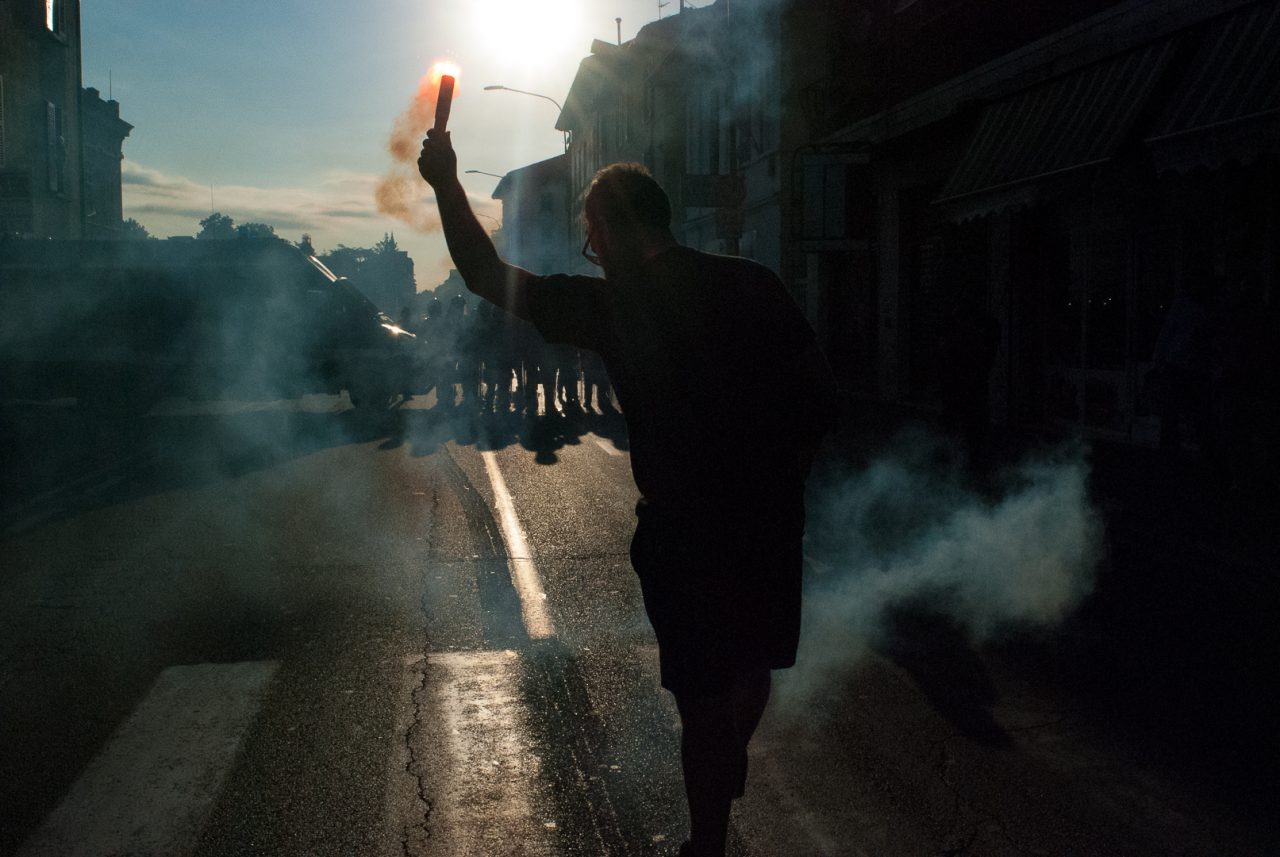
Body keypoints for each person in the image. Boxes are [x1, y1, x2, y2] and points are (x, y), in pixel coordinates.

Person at [419, 130, 837, 857]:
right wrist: (786, 482)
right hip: (768, 522)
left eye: (593, 236)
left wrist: (446, 183)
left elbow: (485, 273)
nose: (593, 251)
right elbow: (818, 392)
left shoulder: (615, 305)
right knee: (750, 668)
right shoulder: (754, 283)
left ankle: (707, 844)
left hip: (684, 533)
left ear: (610, 230)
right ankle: (725, 761)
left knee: (702, 703)